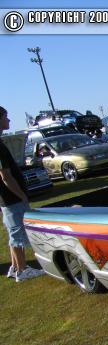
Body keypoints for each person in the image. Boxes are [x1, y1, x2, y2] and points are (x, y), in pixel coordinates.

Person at [0, 106, 45, 282]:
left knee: (14, 233)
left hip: (7, 200)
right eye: (6, 117)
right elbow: (5, 176)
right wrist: (21, 195)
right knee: (18, 234)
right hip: (11, 199)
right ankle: (22, 270)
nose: (9, 120)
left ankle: (14, 267)